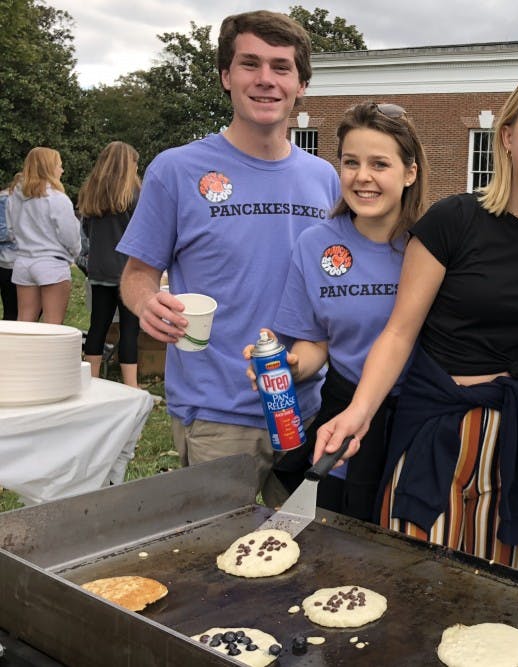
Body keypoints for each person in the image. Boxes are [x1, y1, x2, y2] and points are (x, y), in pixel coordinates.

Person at [313, 66, 518, 570]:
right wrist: (360, 411)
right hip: (434, 427)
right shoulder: (452, 220)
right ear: (506, 136)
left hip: (512, 435)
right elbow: (400, 331)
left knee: (495, 593)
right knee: (411, 582)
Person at [118, 10, 341, 503]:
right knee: (216, 567)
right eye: (250, 64)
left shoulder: (325, 178)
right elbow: (136, 275)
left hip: (307, 409)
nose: (266, 80)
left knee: (300, 557)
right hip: (216, 414)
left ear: (301, 84)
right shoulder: (176, 170)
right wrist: (146, 303)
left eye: (281, 67)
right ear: (225, 76)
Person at [244, 100, 429, 521]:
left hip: (421, 421)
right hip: (344, 422)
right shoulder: (315, 245)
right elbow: (315, 343)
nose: (362, 177)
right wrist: (290, 368)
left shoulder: (434, 243)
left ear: (410, 172)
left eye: (379, 164)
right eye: (351, 162)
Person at [77, 141, 143, 388]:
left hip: (99, 269)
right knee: (129, 329)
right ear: (129, 165)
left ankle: (91, 382)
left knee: (98, 326)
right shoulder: (135, 195)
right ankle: (131, 386)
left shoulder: (91, 193)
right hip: (128, 271)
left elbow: (85, 229)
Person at [7, 148, 81, 324]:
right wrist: (75, 253)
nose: (61, 171)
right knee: (53, 325)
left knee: (24, 322)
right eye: (59, 166)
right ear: (49, 168)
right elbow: (70, 235)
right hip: (52, 263)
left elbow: (11, 231)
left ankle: (20, 353)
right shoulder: (57, 198)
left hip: (23, 262)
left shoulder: (14, 197)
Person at [0, 174, 20, 320]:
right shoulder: (5, 200)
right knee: (12, 313)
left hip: (20, 262)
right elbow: (2, 233)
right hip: (9, 262)